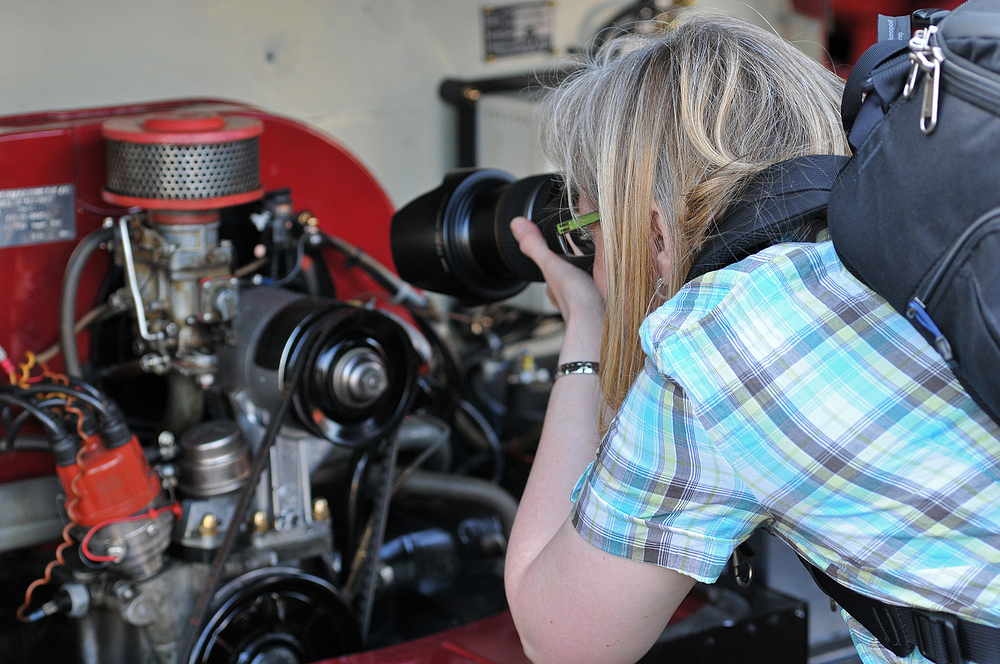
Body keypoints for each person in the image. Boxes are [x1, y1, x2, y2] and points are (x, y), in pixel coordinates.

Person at [503, 10, 1000, 664]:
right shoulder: (915, 245)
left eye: (591, 233)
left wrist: (584, 329)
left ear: (653, 234)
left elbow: (565, 641)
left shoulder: (714, 344)